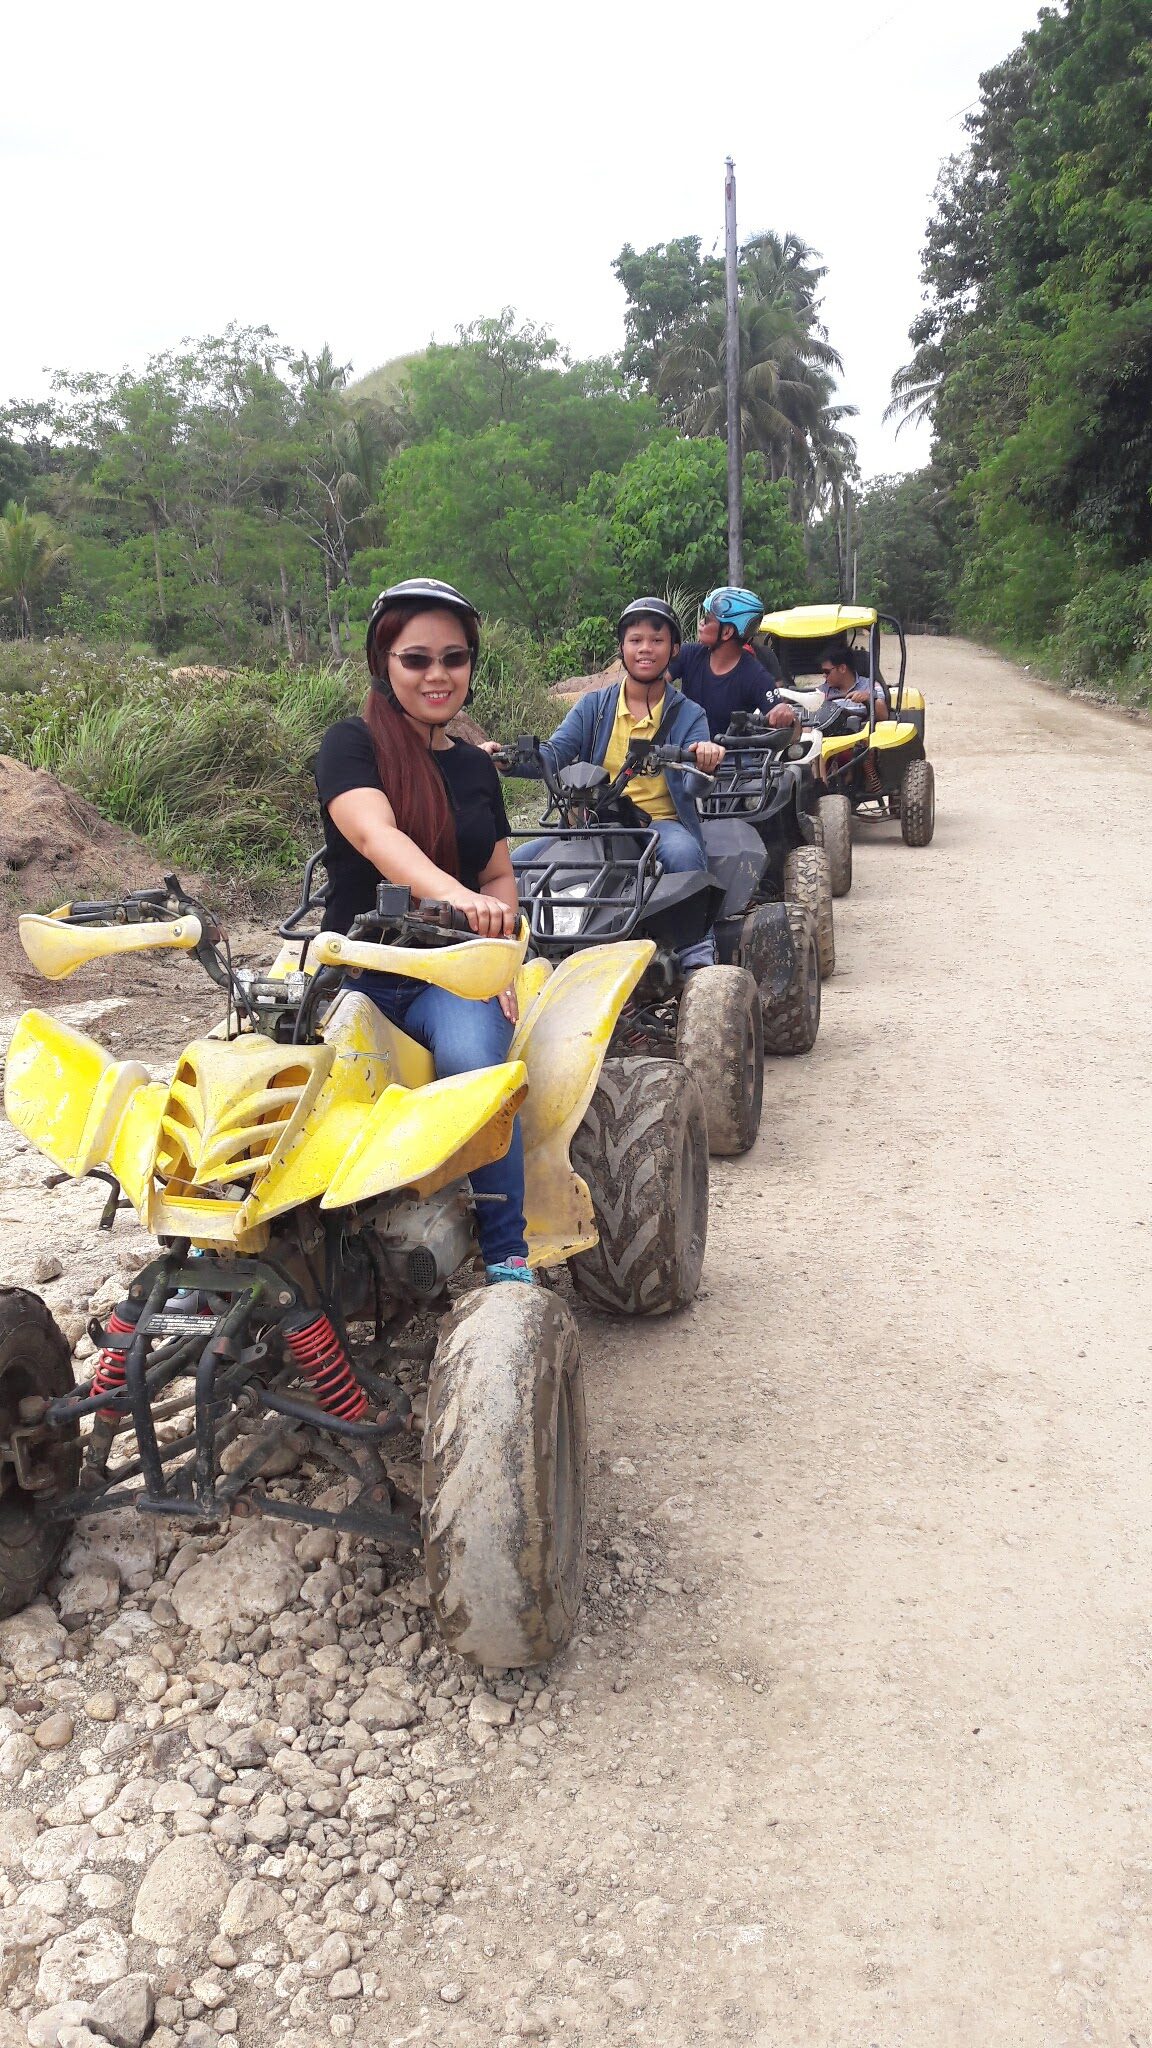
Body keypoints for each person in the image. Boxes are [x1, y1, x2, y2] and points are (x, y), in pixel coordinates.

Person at [313, 577, 535, 1287]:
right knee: (269, 1086)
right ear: (385, 663)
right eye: (417, 659)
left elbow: (500, 876)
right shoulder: (351, 746)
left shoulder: (473, 767)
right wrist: (464, 900)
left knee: (478, 1067)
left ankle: (505, 1252)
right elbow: (379, 838)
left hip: (453, 975)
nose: (438, 675)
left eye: (454, 657)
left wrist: (495, 952)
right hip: (360, 968)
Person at [513, 598, 723, 969]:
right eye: (635, 640)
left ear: (674, 648)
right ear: (622, 648)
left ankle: (698, 958)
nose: (645, 648)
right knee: (514, 863)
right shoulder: (594, 706)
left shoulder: (690, 714)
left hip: (658, 827)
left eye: (657, 641)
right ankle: (508, 952)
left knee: (684, 855)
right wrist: (505, 759)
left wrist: (704, 759)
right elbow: (555, 753)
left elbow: (695, 789)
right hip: (593, 827)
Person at [669, 586, 799, 740]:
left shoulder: (756, 675)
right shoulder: (688, 654)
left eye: (708, 619)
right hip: (686, 754)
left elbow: (792, 731)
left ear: (727, 632)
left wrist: (788, 717)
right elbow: (654, 684)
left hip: (732, 758)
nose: (701, 623)